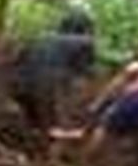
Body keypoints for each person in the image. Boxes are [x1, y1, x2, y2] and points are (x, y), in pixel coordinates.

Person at [8, 9, 96, 155]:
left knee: (35, 117)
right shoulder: (85, 42)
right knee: (55, 123)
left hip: (18, 85)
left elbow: (18, 61)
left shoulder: (40, 37)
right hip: (46, 86)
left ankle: (32, 144)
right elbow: (83, 75)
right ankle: (51, 160)